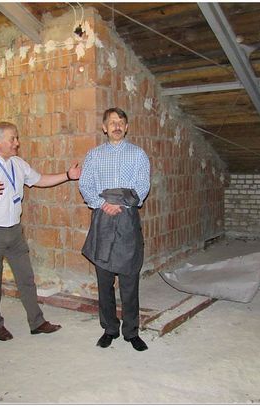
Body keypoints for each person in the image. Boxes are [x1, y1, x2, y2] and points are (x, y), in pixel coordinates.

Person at [0, 121, 81, 341]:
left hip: (15, 231)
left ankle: (37, 322)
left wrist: (68, 175)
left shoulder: (18, 164)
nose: (17, 143)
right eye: (12, 139)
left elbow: (40, 180)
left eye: (17, 138)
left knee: (26, 278)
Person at [79, 107, 151, 352]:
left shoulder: (138, 154)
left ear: (127, 127)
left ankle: (131, 331)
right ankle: (110, 328)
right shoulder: (94, 155)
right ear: (104, 127)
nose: (116, 126)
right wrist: (102, 203)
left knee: (130, 279)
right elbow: (86, 184)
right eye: (112, 122)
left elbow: (142, 186)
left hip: (127, 218)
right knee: (104, 280)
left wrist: (119, 201)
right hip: (102, 219)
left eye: (121, 122)